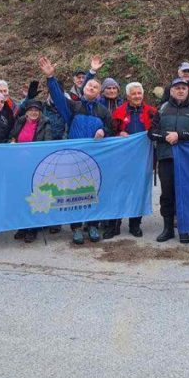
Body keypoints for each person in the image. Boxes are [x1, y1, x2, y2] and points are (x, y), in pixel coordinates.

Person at [40, 56, 114, 244]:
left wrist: (103, 131)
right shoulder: (73, 106)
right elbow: (57, 96)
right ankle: (75, 227)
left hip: (96, 158)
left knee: (94, 191)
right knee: (74, 192)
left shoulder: (104, 111)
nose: (92, 88)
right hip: (74, 157)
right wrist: (50, 78)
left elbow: (110, 129)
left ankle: (93, 225)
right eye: (89, 86)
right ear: (84, 88)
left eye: (96, 87)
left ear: (99, 93)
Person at [149, 79, 189, 244]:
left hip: (187, 160)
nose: (180, 91)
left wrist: (179, 135)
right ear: (171, 91)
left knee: (184, 193)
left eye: (183, 88)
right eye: (177, 88)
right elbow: (151, 132)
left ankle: (184, 228)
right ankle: (167, 229)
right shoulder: (163, 108)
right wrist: (166, 136)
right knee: (167, 194)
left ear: (188, 91)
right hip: (166, 157)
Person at [108, 82, 157, 239]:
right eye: (134, 94)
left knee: (139, 190)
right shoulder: (119, 112)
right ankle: (114, 224)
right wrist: (118, 134)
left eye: (139, 93)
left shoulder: (151, 112)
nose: (137, 96)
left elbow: (157, 130)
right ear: (128, 96)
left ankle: (135, 224)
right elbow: (111, 131)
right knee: (118, 191)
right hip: (122, 159)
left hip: (143, 159)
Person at [10, 100, 54, 243]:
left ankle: (33, 227)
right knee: (21, 195)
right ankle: (23, 225)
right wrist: (11, 141)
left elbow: (48, 143)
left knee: (35, 196)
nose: (34, 112)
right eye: (31, 109)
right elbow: (13, 135)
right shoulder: (20, 121)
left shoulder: (45, 123)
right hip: (19, 164)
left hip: (36, 164)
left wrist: (32, 152)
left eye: (37, 110)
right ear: (26, 111)